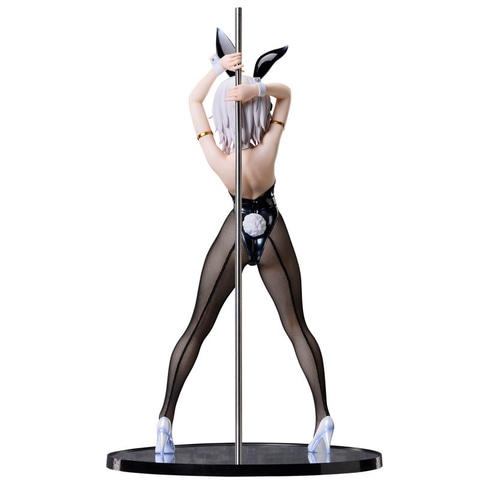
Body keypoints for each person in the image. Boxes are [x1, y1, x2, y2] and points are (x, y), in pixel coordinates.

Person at [155, 48, 334, 459]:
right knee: (296, 326)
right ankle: (323, 417)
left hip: (236, 232)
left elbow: (193, 101)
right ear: (258, 114)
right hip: (273, 231)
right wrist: (259, 89)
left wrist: (216, 70)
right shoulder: (269, 144)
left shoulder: (220, 159)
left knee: (197, 327)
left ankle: (165, 420)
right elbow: (287, 95)